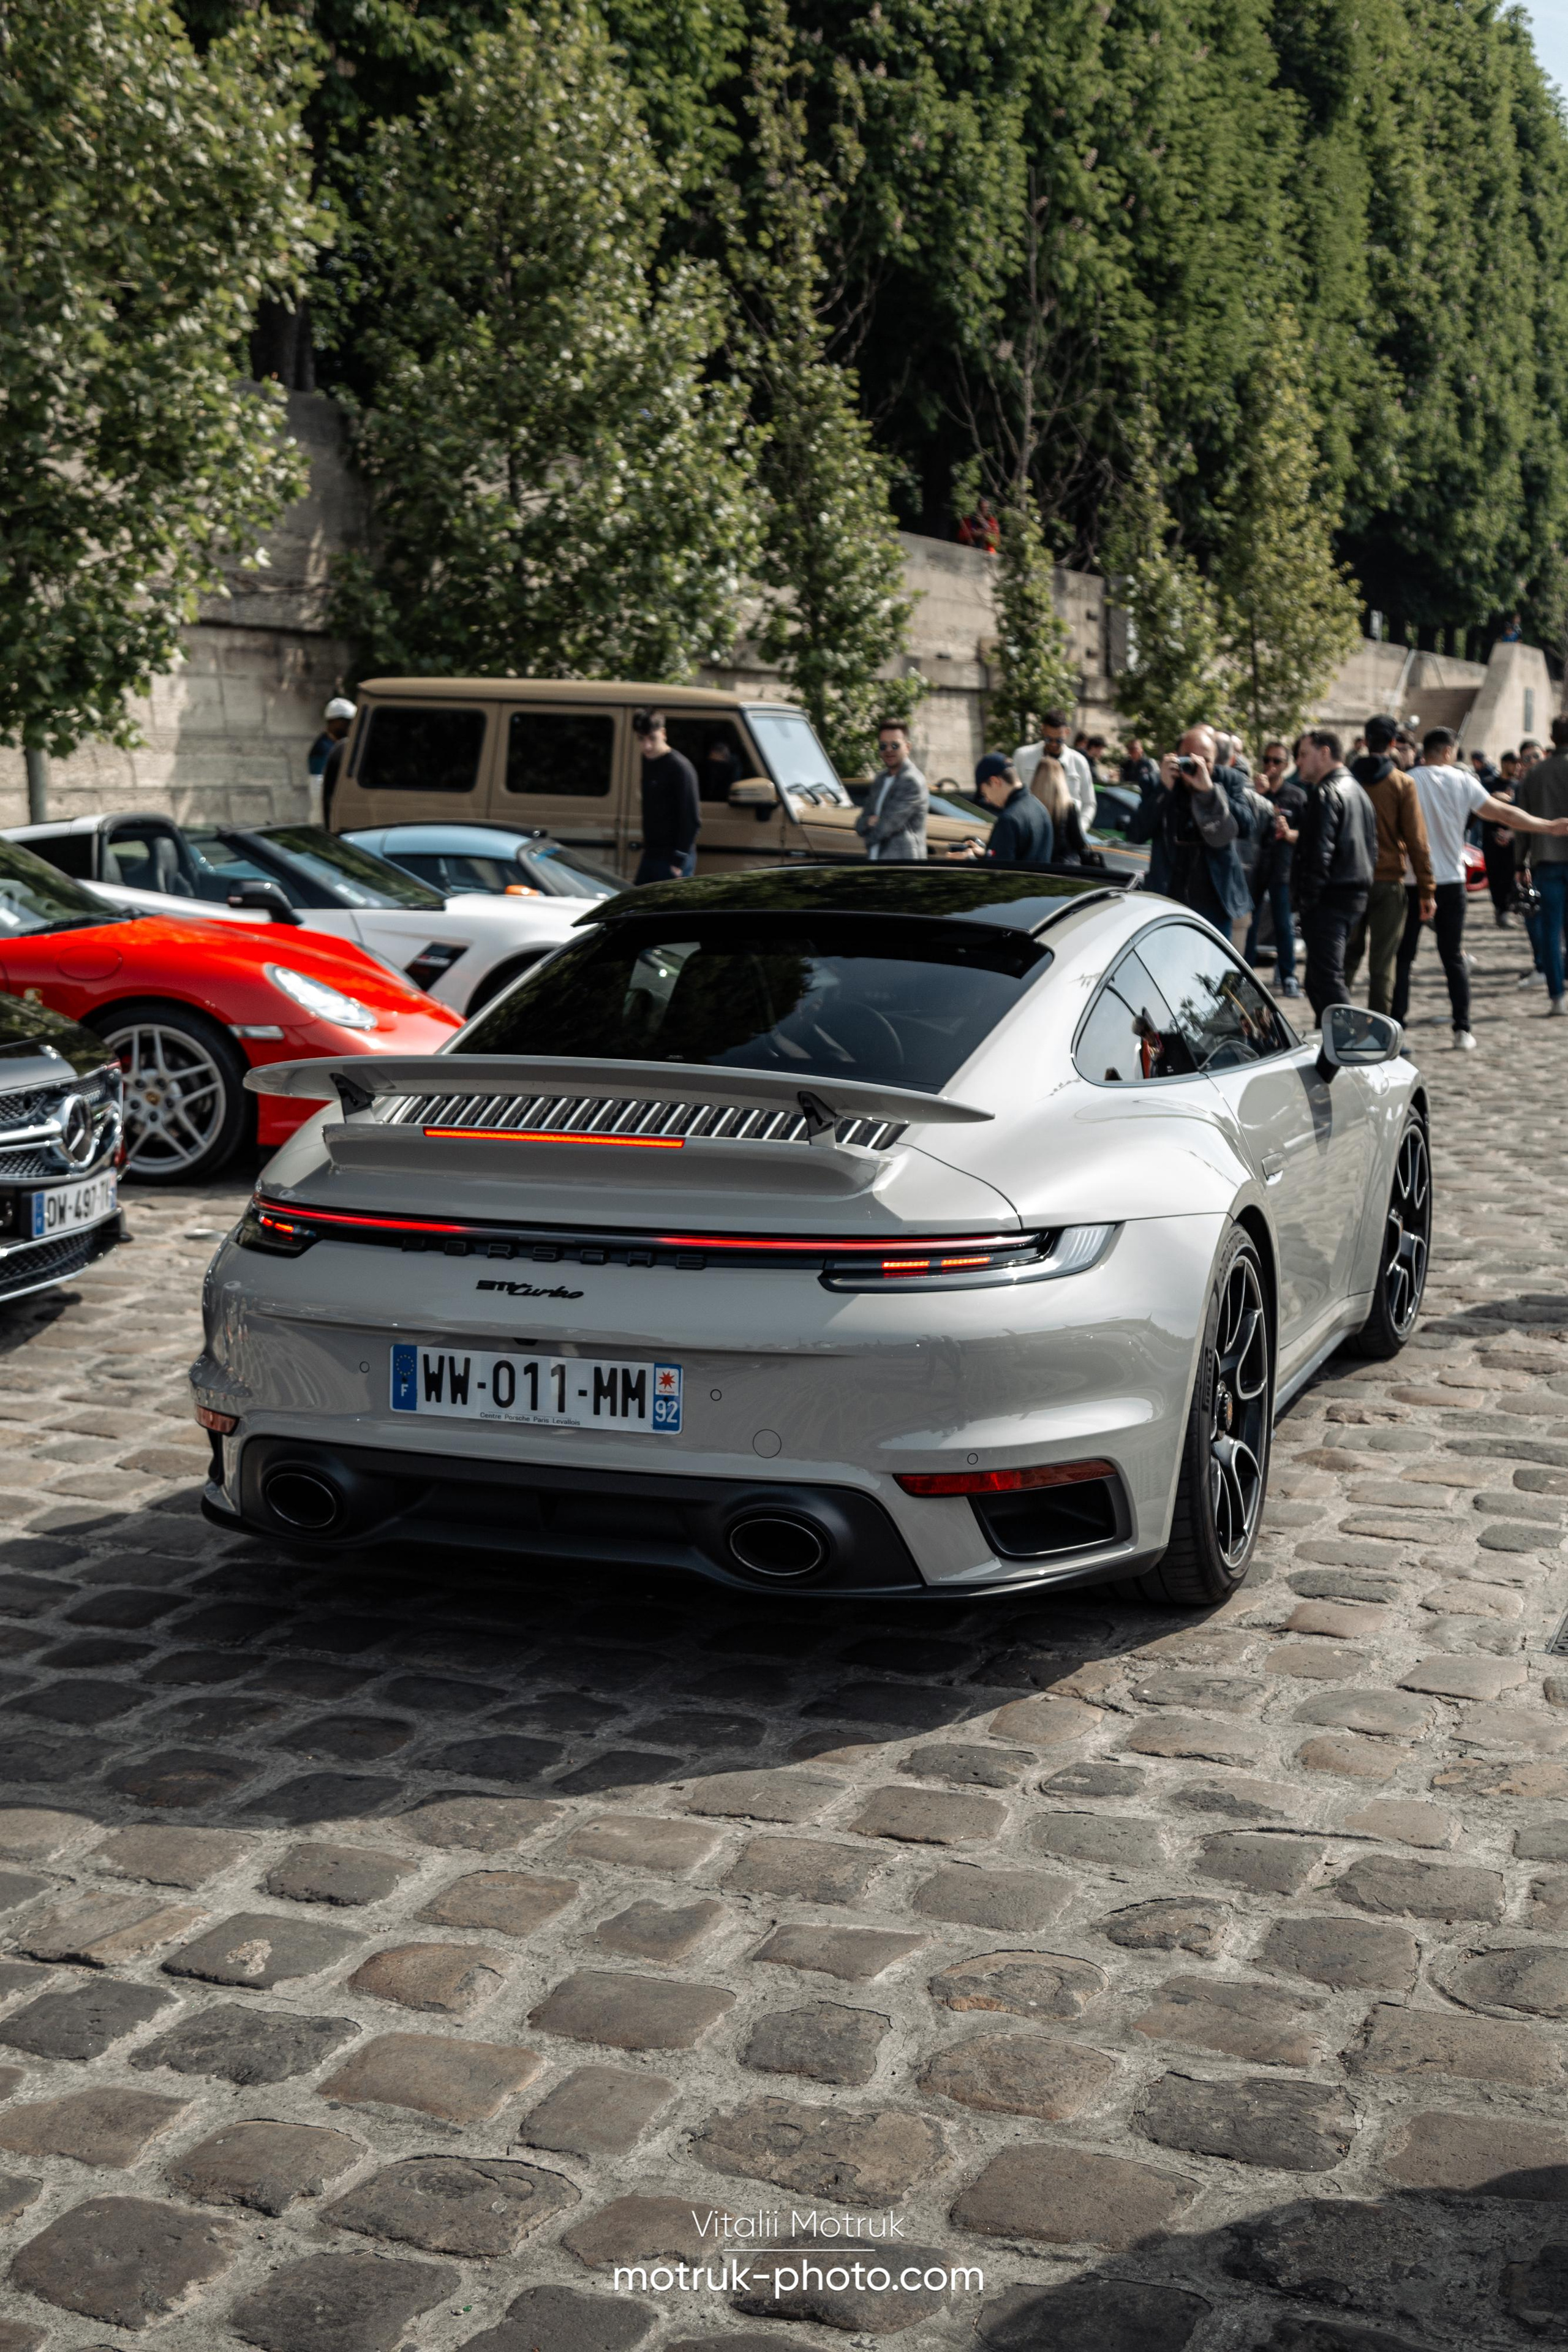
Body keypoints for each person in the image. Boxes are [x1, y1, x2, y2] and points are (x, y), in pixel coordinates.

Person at [1393, 724, 1568, 1044]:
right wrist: (1549, 827)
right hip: (1451, 880)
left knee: (1404, 956)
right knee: (1453, 956)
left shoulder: (1407, 781)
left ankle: (1398, 1026)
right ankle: (1463, 1029)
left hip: (1411, 880)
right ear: (1447, 752)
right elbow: (1505, 814)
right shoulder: (1462, 781)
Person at [1126, 723, 1257, 944]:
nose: (1197, 765)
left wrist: (1210, 791)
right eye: (1189, 758)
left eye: (1205, 760)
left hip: (1215, 898)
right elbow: (1136, 834)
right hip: (1169, 897)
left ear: (1215, 762)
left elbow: (1247, 826)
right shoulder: (1159, 782)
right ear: (1176, 757)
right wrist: (1163, 790)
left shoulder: (1227, 780)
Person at [1345, 716, 1436, 1014]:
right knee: (1383, 964)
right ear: (1393, 743)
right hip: (1388, 880)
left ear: (1366, 741)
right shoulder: (1401, 782)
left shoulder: (1346, 780)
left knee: (1346, 958)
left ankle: (1333, 1021)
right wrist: (1427, 890)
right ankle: (1378, 1033)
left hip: (1350, 879)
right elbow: (1417, 842)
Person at [1292, 731, 1378, 1017]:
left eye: (1304, 754)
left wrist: (1307, 900)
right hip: (1349, 895)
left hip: (1331, 898)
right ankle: (1332, 1055)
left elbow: (1319, 855)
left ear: (1325, 752)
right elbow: (1372, 847)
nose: (1299, 762)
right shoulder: (1356, 791)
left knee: (1327, 980)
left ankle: (1348, 1047)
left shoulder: (1329, 792)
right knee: (1318, 981)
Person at [1512, 714, 1568, 1012]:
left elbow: (1523, 823)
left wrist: (1520, 863)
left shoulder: (1535, 774)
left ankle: (1557, 994)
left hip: (1547, 859)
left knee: (1550, 927)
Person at [1244, 741, 1306, 996]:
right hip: (1255, 866)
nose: (1270, 766)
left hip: (1282, 866)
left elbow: (1309, 835)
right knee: (1250, 921)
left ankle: (1288, 975)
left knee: (1283, 923)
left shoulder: (1296, 796)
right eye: (1267, 760)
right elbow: (1244, 826)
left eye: (1277, 762)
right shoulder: (1255, 792)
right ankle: (1246, 972)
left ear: (1286, 765)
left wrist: (1290, 833)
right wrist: (1259, 795)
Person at [633, 708, 701, 883]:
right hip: (652, 854)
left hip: (673, 858)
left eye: (652, 738)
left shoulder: (680, 767)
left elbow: (692, 819)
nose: (647, 746)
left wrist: (679, 860)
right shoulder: (647, 761)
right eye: (641, 739)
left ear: (663, 734)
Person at [946, 760, 1054, 867]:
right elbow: (1021, 860)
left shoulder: (1009, 820)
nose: (987, 800)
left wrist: (969, 859)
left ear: (995, 782)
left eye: (984, 794)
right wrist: (986, 855)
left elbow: (998, 875)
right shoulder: (1040, 808)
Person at [856, 720, 928, 862]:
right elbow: (859, 824)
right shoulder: (880, 780)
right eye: (883, 746)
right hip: (877, 862)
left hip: (903, 866)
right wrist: (867, 822)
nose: (889, 750)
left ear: (907, 747)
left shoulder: (912, 781)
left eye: (895, 745)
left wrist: (870, 829)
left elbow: (887, 826)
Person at [1014, 709, 1096, 831]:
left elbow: (1089, 803)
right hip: (1032, 828)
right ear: (1042, 730)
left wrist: (1080, 829)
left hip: (1068, 832)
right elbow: (1014, 796)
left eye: (1059, 740)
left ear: (1067, 732)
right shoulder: (1023, 756)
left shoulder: (1079, 762)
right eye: (1048, 739)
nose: (1053, 744)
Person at [1031, 755, 1098, 864]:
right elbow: (1078, 843)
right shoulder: (1068, 807)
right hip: (1062, 869)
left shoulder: (1029, 807)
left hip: (1034, 867)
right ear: (1060, 778)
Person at [1480, 750, 1521, 926]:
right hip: (1491, 838)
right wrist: (1496, 798)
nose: (1517, 766)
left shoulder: (1518, 785)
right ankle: (1499, 909)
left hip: (1512, 838)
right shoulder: (1490, 783)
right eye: (1514, 763)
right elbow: (1480, 805)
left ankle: (1506, 910)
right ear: (1505, 763)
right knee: (1495, 876)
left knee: (1509, 876)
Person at [312, 695, 355, 821]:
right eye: (347, 722)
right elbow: (317, 787)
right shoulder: (323, 748)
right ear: (335, 722)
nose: (351, 726)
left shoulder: (338, 745)